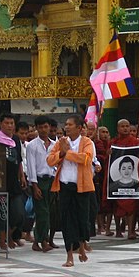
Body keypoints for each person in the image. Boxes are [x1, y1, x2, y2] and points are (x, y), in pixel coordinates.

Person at [47, 114, 94, 267]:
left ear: (79, 128)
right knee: (67, 221)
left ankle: (81, 247)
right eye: (65, 124)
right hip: (65, 186)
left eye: (70, 124)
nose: (66, 127)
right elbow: (50, 160)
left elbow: (86, 159)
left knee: (82, 219)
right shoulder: (61, 142)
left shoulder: (87, 142)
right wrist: (61, 153)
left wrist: (67, 153)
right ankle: (69, 256)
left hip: (82, 186)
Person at [0, 114, 27, 250]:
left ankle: (10, 235)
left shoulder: (15, 138)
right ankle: (2, 240)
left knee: (18, 212)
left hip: (13, 180)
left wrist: (21, 175)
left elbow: (19, 159)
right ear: (1, 124)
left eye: (12, 123)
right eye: (7, 123)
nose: (10, 126)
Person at [26, 116, 57, 253]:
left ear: (49, 127)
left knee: (49, 212)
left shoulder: (54, 145)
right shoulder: (32, 145)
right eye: (40, 127)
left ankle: (40, 240)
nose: (44, 130)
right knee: (42, 212)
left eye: (46, 127)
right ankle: (43, 240)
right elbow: (31, 166)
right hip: (38, 180)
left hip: (52, 180)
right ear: (36, 128)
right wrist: (34, 185)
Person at [109, 119, 139, 239]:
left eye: (127, 126)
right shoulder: (114, 142)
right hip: (117, 180)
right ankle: (118, 230)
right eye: (122, 126)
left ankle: (130, 231)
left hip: (133, 179)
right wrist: (109, 154)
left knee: (132, 205)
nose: (125, 128)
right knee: (116, 205)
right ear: (118, 128)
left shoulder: (135, 142)